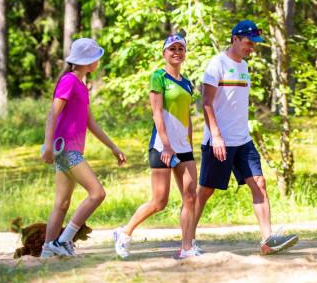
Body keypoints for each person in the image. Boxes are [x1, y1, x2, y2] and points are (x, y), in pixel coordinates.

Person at [193, 20, 298, 255]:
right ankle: (187, 240)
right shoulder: (216, 64)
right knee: (206, 190)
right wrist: (217, 136)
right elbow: (207, 103)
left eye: (254, 44)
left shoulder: (244, 67)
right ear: (235, 39)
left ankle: (267, 240)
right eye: (248, 43)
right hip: (219, 141)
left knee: (259, 184)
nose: (252, 48)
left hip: (243, 140)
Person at [113, 34, 199, 259]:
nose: (177, 52)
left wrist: (189, 140)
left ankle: (187, 247)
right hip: (162, 146)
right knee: (160, 201)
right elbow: (157, 113)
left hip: (184, 147)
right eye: (172, 48)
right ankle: (124, 232)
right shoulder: (158, 77)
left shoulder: (187, 82)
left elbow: (186, 114)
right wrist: (168, 146)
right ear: (164, 53)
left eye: (180, 48)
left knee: (190, 195)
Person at [40, 38, 127, 258]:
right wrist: (47, 145)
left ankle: (47, 251)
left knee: (62, 203)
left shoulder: (81, 85)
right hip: (66, 149)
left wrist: (113, 147)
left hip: (70, 150)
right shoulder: (69, 81)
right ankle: (63, 240)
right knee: (97, 193)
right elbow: (52, 114)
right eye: (96, 57)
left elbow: (91, 123)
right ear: (89, 61)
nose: (98, 61)